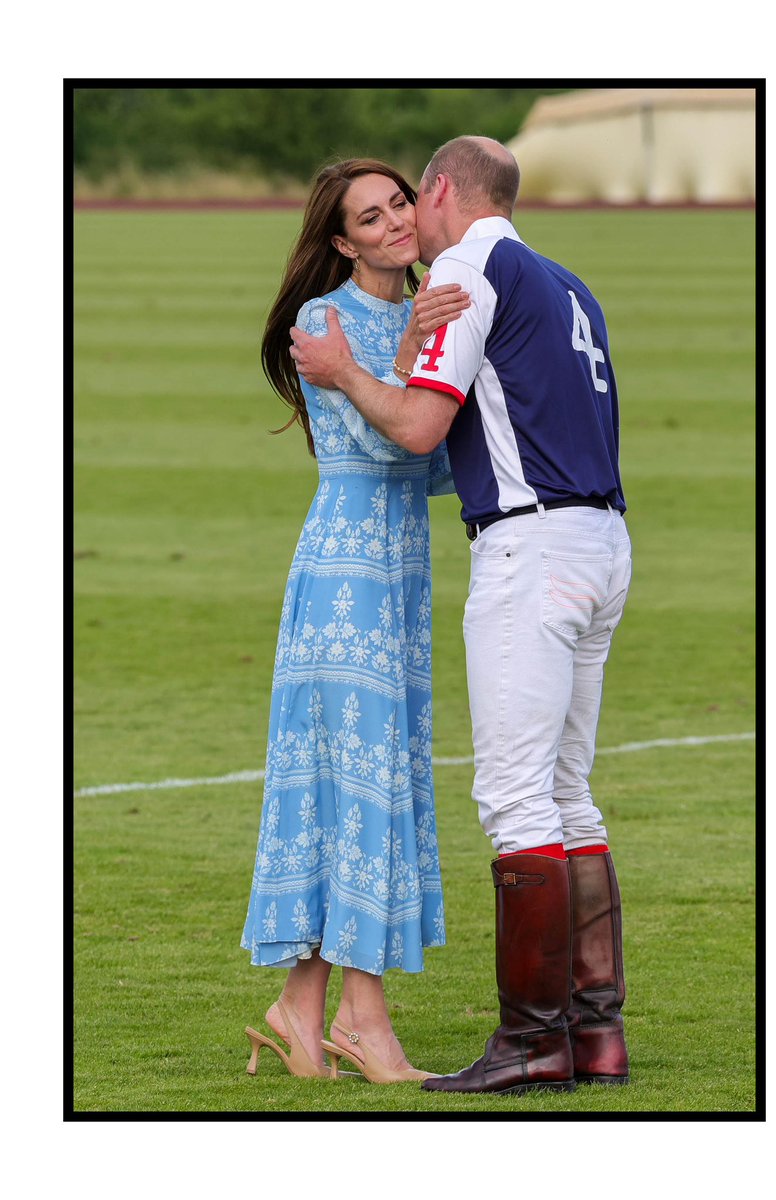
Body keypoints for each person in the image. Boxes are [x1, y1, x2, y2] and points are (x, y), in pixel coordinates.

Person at [288, 136, 633, 1095]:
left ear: (439, 191)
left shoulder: (469, 272)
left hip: (532, 551)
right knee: (569, 795)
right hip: (602, 538)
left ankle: (532, 1043)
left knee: (519, 801)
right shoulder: (564, 281)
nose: (407, 222)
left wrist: (353, 373)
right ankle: (593, 1037)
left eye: (409, 201)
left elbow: (417, 428)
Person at [240, 158, 469, 1084]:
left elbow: (439, 458)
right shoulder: (322, 319)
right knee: (362, 782)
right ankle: (362, 1023)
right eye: (369, 219)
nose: (393, 224)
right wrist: (408, 353)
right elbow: (384, 436)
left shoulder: (428, 307)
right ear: (341, 241)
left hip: (401, 564)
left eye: (399, 203)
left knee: (367, 780)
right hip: (345, 571)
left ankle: (299, 1009)